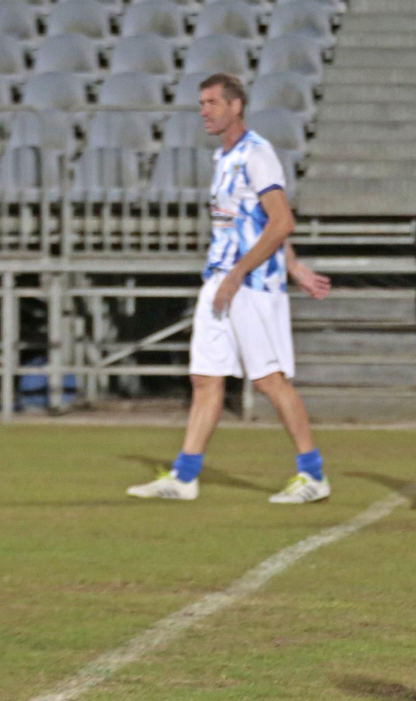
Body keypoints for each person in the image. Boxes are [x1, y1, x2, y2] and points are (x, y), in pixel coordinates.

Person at [128, 73, 332, 503]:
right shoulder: (225, 157)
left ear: (235, 106)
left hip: (251, 284)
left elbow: (282, 221)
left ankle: (312, 475)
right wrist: (292, 264)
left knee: (269, 380)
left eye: (212, 102)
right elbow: (262, 222)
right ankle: (185, 476)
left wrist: (243, 275)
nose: (204, 110)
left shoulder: (257, 154)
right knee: (205, 376)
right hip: (220, 279)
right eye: (201, 103)